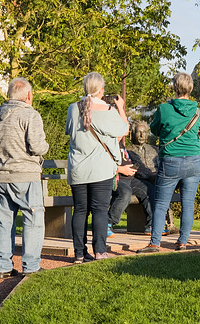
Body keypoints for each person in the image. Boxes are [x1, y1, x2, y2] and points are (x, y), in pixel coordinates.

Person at [0, 77, 49, 278]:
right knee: (33, 219)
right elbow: (38, 146)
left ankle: (3, 266)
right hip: (26, 176)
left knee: (5, 222)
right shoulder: (30, 115)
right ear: (28, 96)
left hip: (2, 177)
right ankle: (31, 266)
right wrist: (46, 147)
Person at [137, 72, 200, 253]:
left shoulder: (164, 109)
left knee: (160, 204)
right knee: (188, 204)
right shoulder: (199, 112)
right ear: (190, 88)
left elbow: (155, 129)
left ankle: (155, 243)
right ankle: (182, 242)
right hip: (194, 161)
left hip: (171, 160)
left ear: (175, 88)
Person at [65, 72, 128, 263]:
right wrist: (121, 108)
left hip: (78, 169)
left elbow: (70, 131)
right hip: (101, 169)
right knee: (100, 210)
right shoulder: (108, 110)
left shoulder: (72, 108)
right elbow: (123, 129)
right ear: (101, 90)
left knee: (80, 210)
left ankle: (79, 253)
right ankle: (100, 251)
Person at [126, 120, 177, 235]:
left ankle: (168, 223)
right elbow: (134, 169)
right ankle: (154, 224)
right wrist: (150, 176)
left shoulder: (154, 150)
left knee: (163, 187)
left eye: (144, 132)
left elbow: (162, 166)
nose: (141, 135)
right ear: (132, 133)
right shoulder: (128, 151)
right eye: (139, 132)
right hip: (138, 181)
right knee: (151, 188)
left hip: (156, 179)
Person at [107, 140, 137, 237]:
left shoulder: (122, 144)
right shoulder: (109, 142)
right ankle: (108, 223)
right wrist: (121, 169)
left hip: (131, 178)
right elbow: (104, 163)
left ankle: (150, 225)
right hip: (116, 178)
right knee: (125, 193)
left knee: (149, 189)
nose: (126, 127)